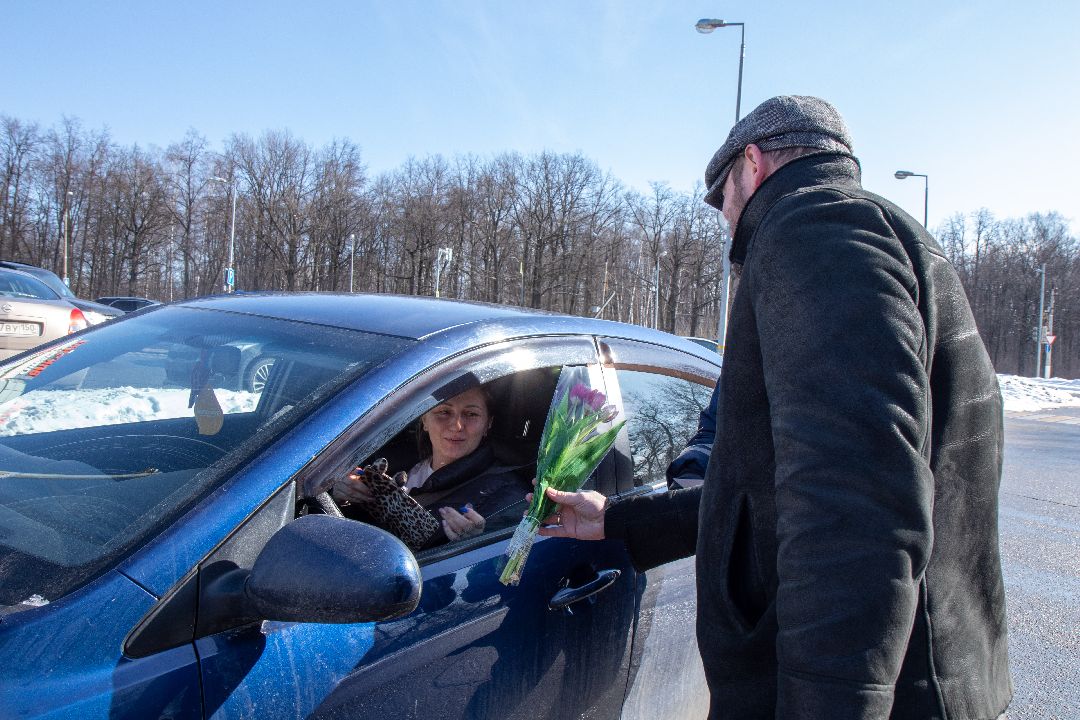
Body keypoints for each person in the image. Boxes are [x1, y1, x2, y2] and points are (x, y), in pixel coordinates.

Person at [540, 96, 1010, 719]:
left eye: (723, 200)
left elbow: (851, 507)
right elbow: (769, 493)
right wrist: (621, 521)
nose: (727, 221)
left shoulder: (815, 231)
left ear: (753, 164)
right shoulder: (886, 234)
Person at [334, 385, 531, 549]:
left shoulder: (509, 496)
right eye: (444, 412)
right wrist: (342, 496)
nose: (457, 426)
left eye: (471, 414)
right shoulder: (386, 460)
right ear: (424, 420)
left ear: (488, 424)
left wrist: (473, 544)